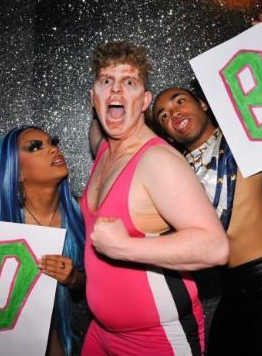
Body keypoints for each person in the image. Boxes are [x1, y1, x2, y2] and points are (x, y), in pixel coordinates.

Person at [81, 41, 229, 356]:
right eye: (107, 81)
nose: (117, 91)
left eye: (129, 83)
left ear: (145, 101)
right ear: (94, 97)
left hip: (156, 339)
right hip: (101, 332)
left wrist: (124, 247)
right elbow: (98, 126)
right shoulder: (106, 147)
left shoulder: (157, 161)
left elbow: (215, 247)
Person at [151, 83, 262, 355]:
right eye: (164, 116)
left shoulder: (243, 140)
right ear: (166, 134)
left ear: (202, 104)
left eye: (179, 102)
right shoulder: (176, 173)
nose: (173, 113)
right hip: (233, 287)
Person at [0, 125, 85, 356]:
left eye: (52, 142)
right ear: (17, 171)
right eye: (36, 147)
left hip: (59, 333)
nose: (53, 150)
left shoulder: (81, 212)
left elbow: (95, 282)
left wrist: (72, 278)